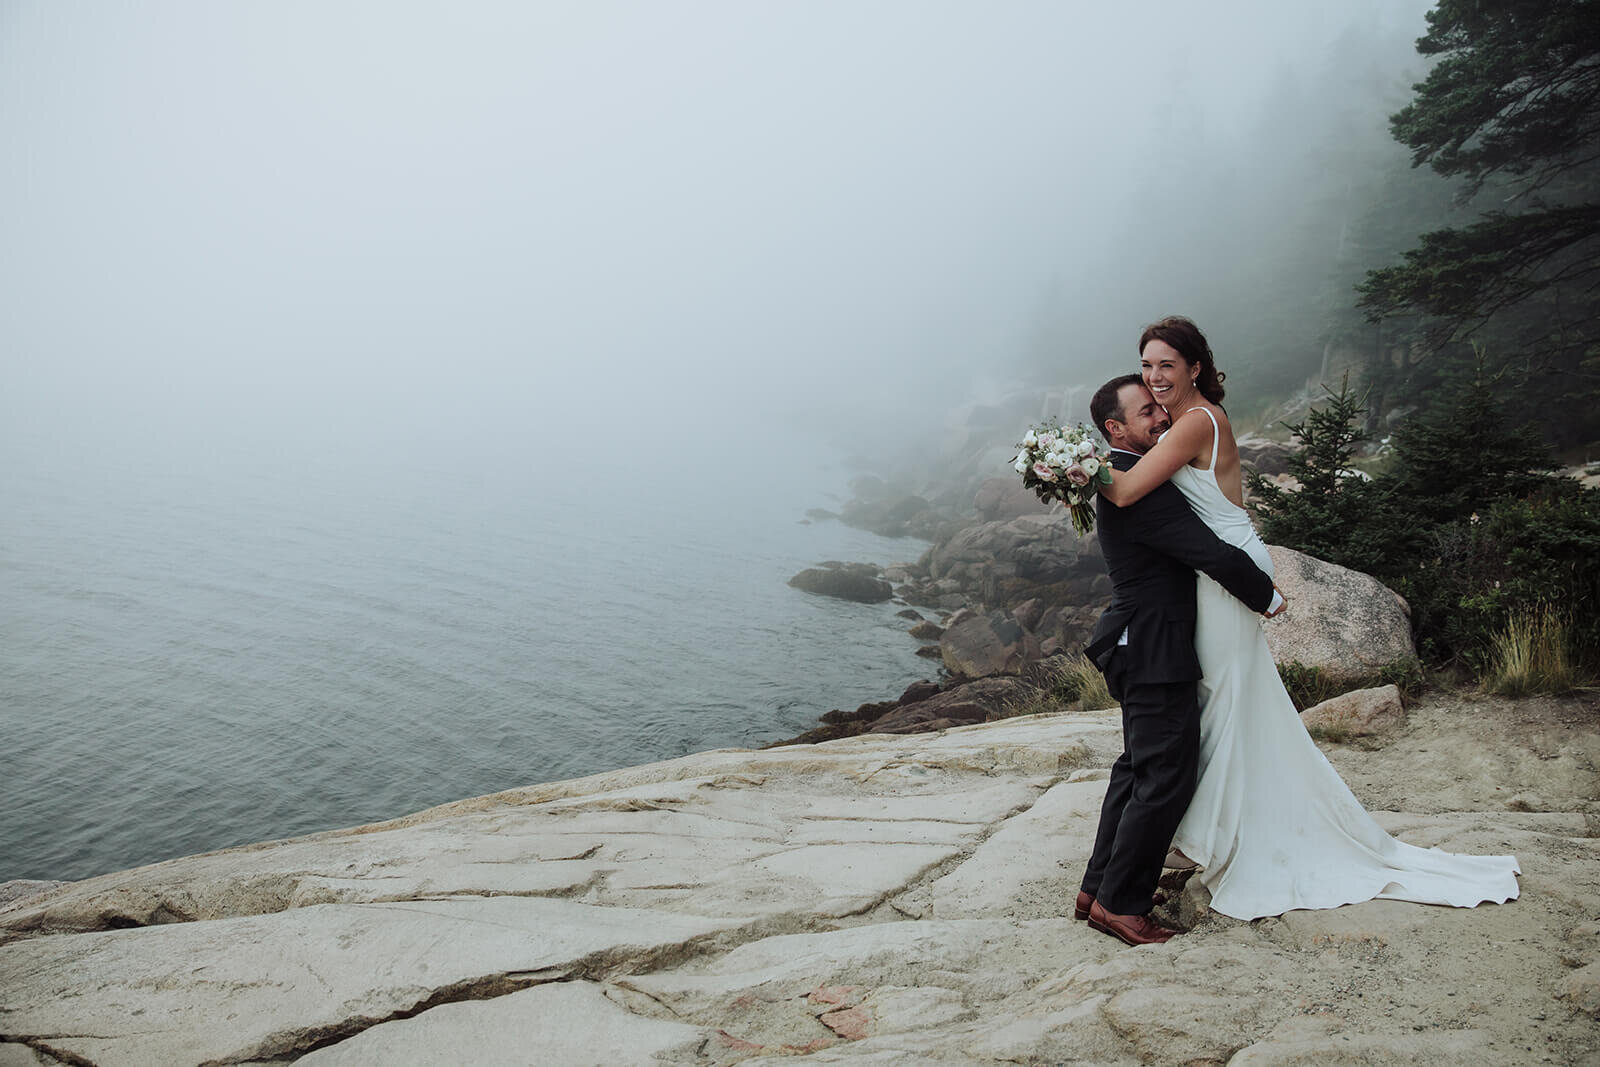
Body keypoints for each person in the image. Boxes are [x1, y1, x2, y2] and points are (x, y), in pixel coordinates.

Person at [1098, 315, 1521, 921]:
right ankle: (1215, 832)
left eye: (1167, 364)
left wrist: (1066, 469)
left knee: (1224, 699)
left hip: (1226, 569)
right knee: (1224, 700)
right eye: (1146, 366)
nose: (1155, 376)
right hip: (1219, 565)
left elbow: (1128, 487)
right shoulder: (1190, 419)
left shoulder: (1195, 422)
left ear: (1195, 368)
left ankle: (1227, 837)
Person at [1077, 373, 1284, 946]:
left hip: (1138, 640)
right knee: (1164, 776)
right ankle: (1122, 905)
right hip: (1154, 646)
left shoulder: (1121, 472)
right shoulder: (1137, 485)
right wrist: (1267, 595)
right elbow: (1206, 551)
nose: (1161, 418)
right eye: (1148, 412)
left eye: (1160, 408)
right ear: (1115, 428)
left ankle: (1098, 889)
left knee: (1137, 769)